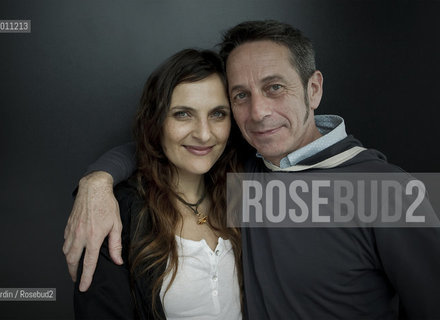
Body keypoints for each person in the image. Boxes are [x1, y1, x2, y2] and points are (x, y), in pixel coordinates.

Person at [65, 20, 440, 319]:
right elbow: (167, 147)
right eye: (241, 95)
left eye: (274, 87)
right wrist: (98, 180)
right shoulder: (245, 175)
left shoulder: (390, 193)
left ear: (313, 89)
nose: (258, 113)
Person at [73, 49, 243, 319]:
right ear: (156, 121)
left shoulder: (245, 193)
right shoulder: (118, 214)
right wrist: (97, 178)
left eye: (218, 114)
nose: (203, 133)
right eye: (183, 114)